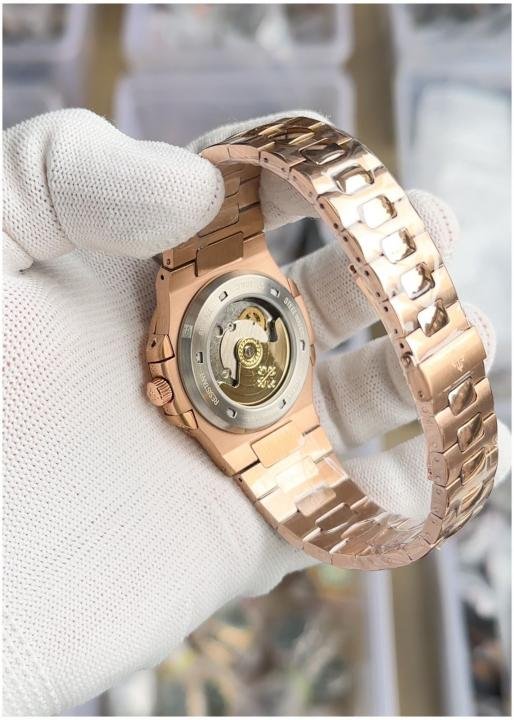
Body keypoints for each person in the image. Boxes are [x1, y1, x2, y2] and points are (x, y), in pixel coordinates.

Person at [3, 109, 510, 715]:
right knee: (200, 199)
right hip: (240, 355)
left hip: (254, 351)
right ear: (166, 384)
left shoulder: (260, 314)